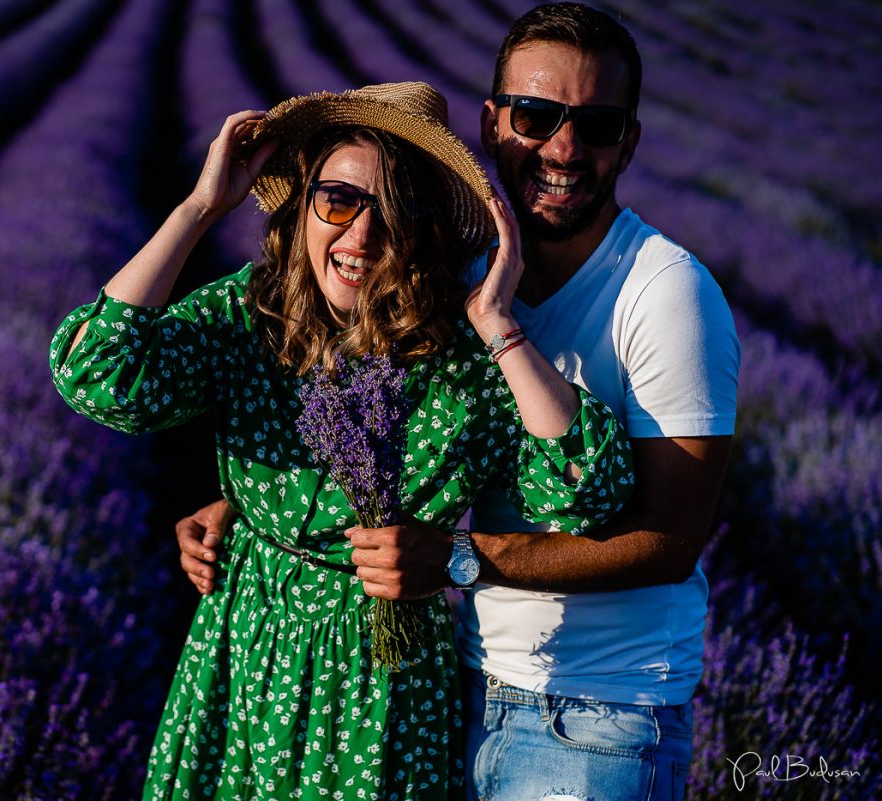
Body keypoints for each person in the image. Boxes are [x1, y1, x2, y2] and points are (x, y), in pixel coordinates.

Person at [176, 5, 740, 800]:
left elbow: (672, 541)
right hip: (460, 682)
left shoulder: (666, 293)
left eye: (599, 124)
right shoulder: (452, 264)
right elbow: (382, 432)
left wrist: (459, 557)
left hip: (593, 711)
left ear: (632, 140)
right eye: (537, 116)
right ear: (494, 121)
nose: (565, 149)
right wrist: (254, 506)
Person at [51, 81, 634, 800]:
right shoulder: (249, 314)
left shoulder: (463, 363)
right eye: (338, 200)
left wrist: (498, 323)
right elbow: (98, 374)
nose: (361, 236)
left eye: (395, 212)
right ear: (301, 208)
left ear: (425, 232)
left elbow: (586, 490)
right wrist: (199, 209)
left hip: (378, 686)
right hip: (240, 651)